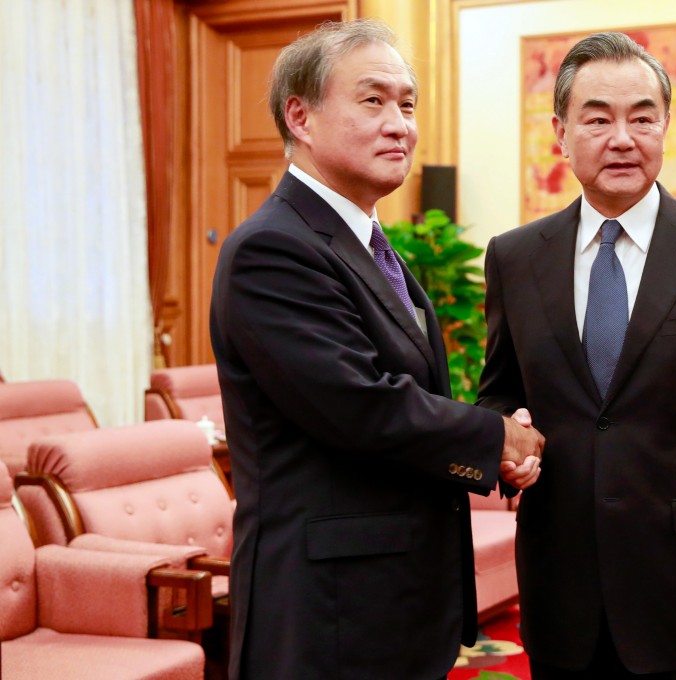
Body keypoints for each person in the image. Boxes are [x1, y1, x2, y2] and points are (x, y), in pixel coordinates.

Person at [209, 19, 543, 680]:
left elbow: (409, 400)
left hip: (390, 601)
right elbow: (359, 406)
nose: (400, 124)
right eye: (373, 100)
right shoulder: (273, 249)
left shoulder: (364, 241)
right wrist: (495, 439)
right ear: (299, 117)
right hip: (326, 613)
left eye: (408, 103)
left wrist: (490, 452)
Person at [477, 32, 676, 679]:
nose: (623, 137)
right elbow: (499, 395)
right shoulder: (515, 256)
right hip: (560, 586)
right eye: (598, 118)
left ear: (665, 124)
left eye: (642, 117)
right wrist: (510, 452)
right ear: (561, 132)